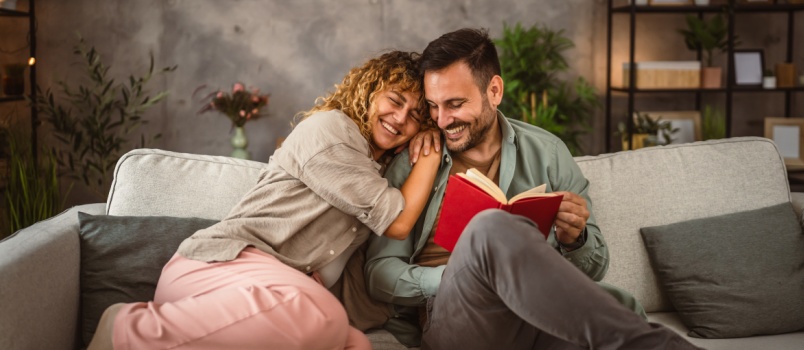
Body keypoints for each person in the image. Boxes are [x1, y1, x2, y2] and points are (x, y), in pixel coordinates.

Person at [365, 29, 701, 349]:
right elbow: (378, 274)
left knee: (602, 321)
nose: (440, 120)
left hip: (538, 323)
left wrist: (575, 239)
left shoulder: (548, 152)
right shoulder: (416, 159)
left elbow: (595, 267)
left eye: (454, 104)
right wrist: (459, 276)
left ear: (494, 91)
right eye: (434, 106)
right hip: (457, 320)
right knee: (490, 227)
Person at [87, 50, 441, 350]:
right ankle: (123, 328)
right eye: (395, 101)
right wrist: (430, 154)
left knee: (354, 343)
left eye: (415, 116)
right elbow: (398, 222)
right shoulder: (332, 131)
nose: (400, 119)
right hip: (218, 269)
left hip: (272, 293)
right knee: (324, 315)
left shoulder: (374, 168)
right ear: (367, 92)